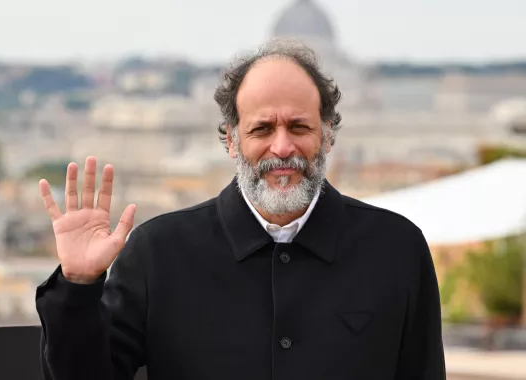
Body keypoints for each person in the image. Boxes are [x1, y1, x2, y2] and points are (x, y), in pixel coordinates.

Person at [35, 39, 446, 380]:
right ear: (231, 140)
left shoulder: (396, 250)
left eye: (299, 127)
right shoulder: (157, 253)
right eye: (262, 129)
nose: (282, 148)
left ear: (328, 136)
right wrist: (77, 285)